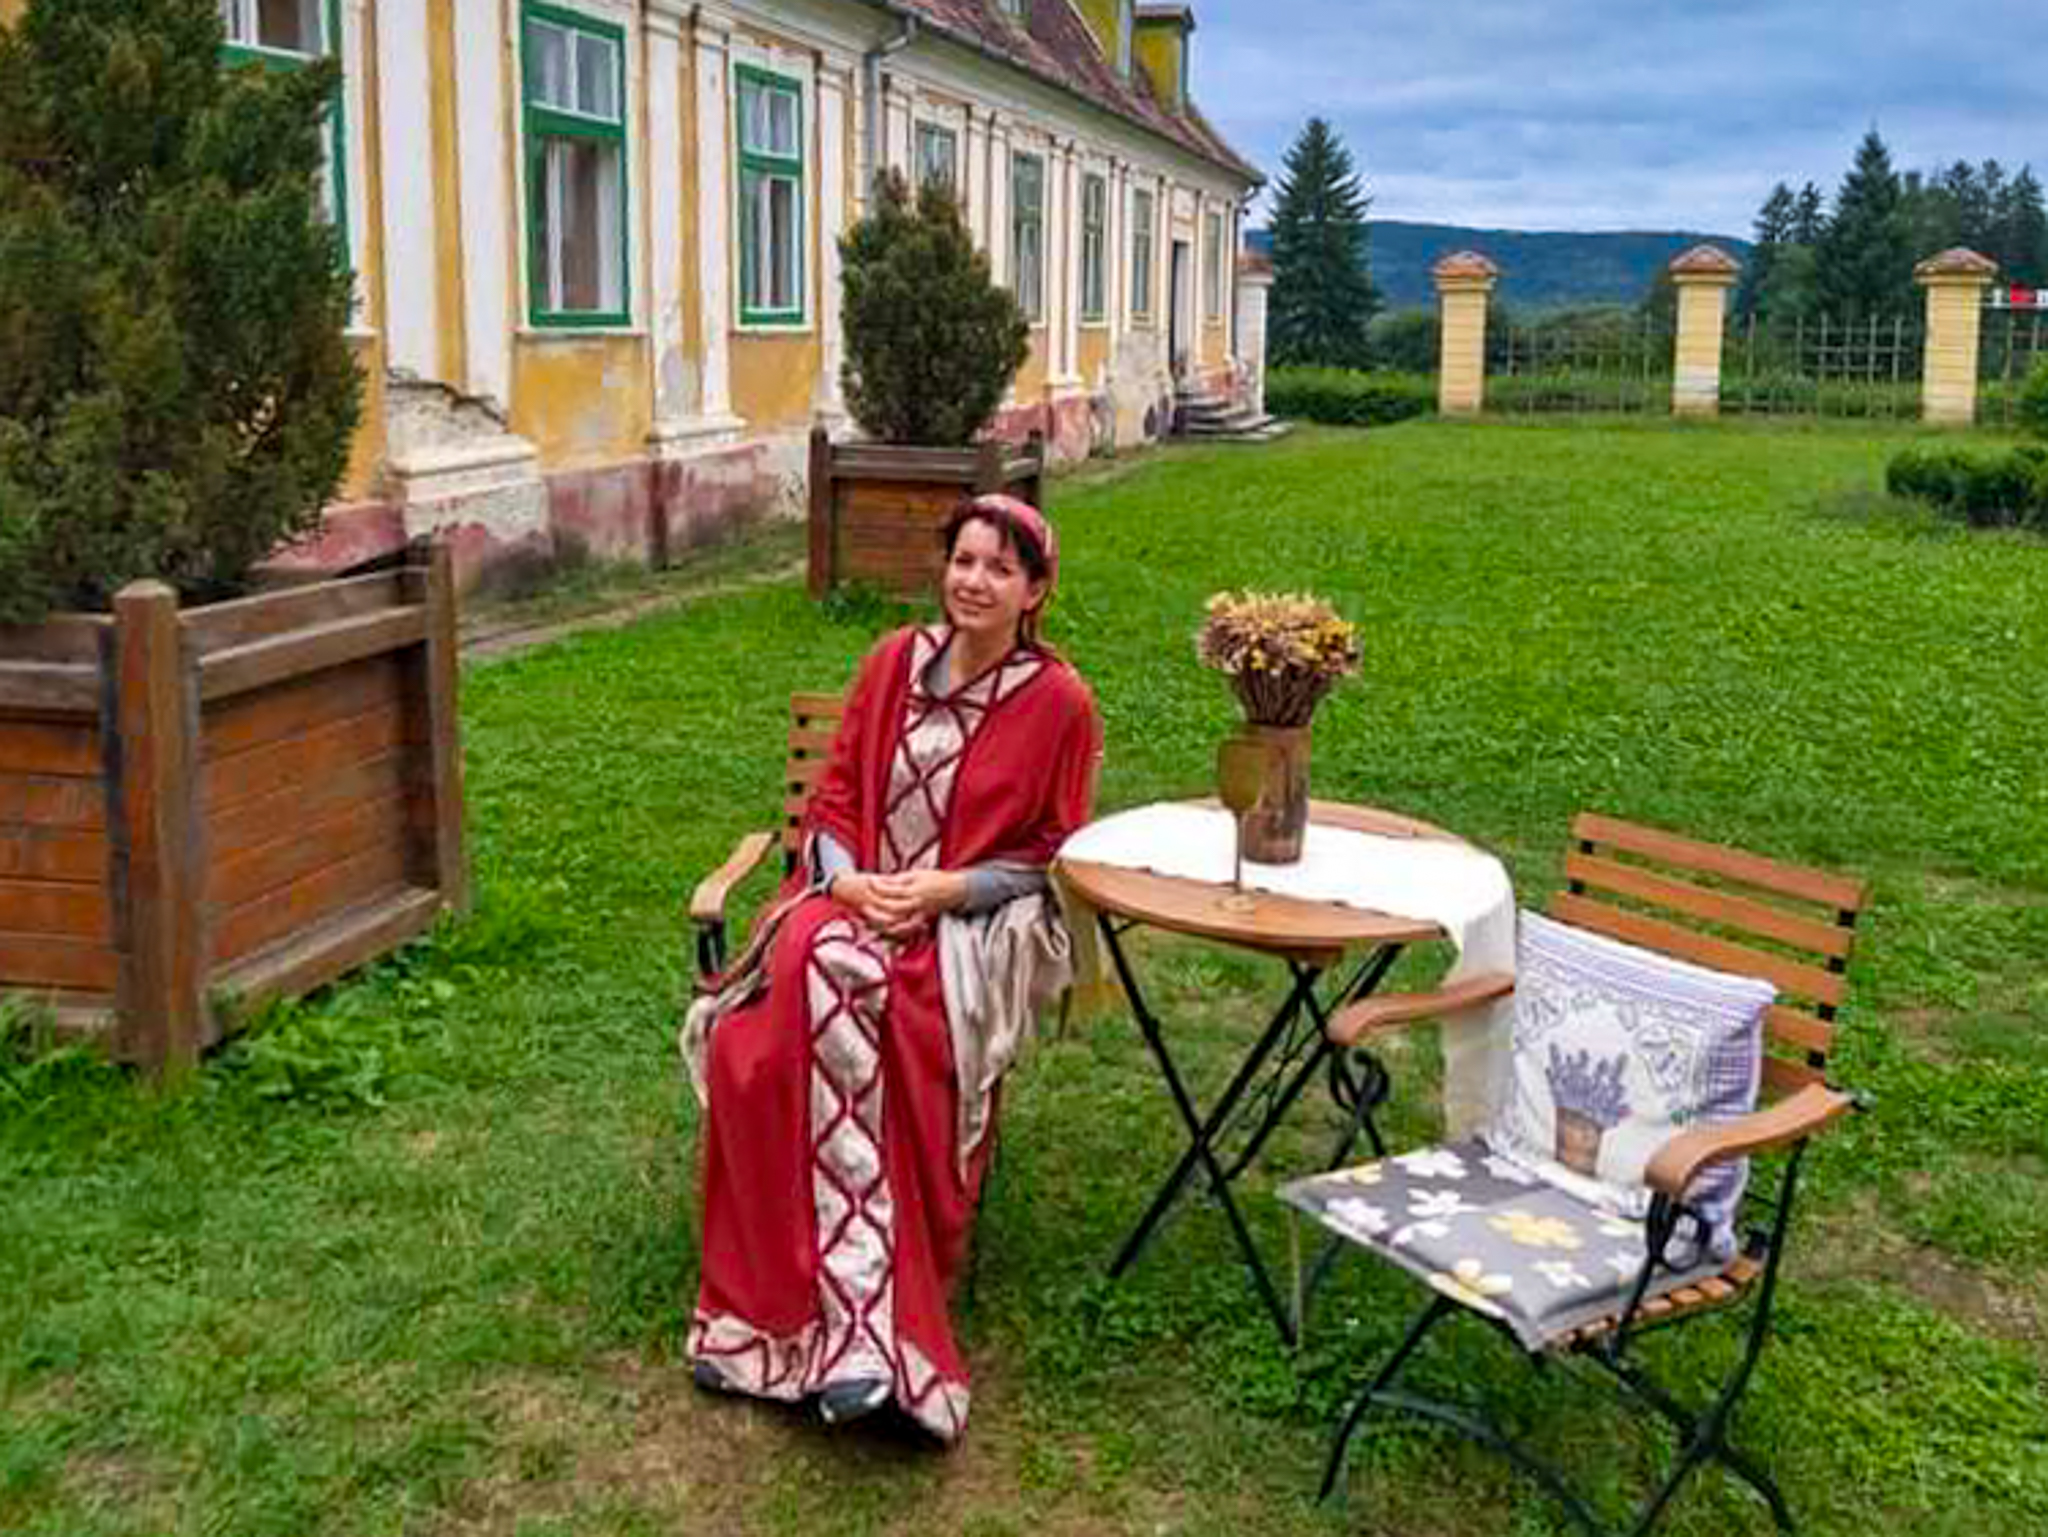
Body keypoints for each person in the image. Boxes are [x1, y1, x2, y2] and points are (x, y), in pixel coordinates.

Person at [680, 494, 1100, 1443]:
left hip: (954, 931)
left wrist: (945, 890)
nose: (974, 580)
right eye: (963, 560)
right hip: (845, 900)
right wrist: (853, 881)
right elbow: (831, 804)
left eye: (1000, 567)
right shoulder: (890, 663)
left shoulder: (1058, 702)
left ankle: (815, 1328)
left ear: (1035, 590)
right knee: (830, 959)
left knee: (856, 993)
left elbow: (1052, 852)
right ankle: (867, 1332)